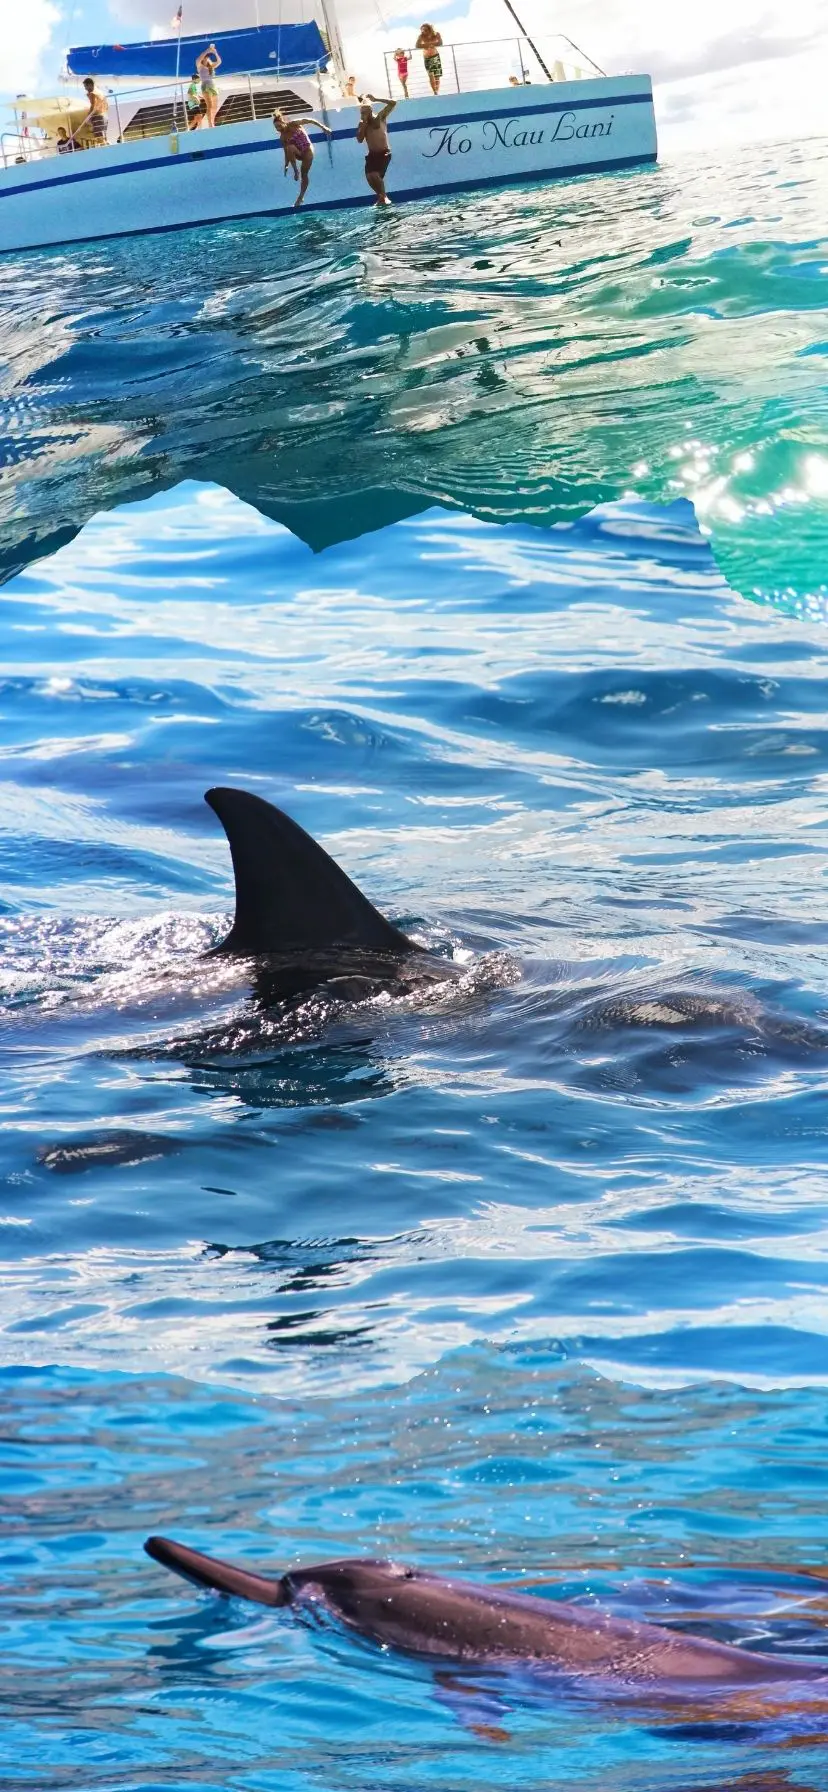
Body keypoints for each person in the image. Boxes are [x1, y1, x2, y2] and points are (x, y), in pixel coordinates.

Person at [273, 109, 333, 209]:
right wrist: (286, 165)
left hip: (308, 150)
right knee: (290, 147)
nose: (278, 129)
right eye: (276, 128)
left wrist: (323, 127)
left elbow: (309, 120)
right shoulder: (283, 137)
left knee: (304, 174)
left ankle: (300, 197)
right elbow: (286, 153)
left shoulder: (293, 124)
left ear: (284, 122)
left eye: (279, 126)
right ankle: (296, 171)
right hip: (298, 153)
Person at [356, 95, 395, 207]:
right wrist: (363, 126)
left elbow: (393, 103)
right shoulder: (362, 124)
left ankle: (384, 196)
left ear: (370, 111)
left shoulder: (379, 117)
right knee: (369, 176)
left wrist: (377, 99)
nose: (362, 115)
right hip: (372, 155)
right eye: (361, 113)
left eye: (364, 113)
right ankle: (380, 196)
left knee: (375, 175)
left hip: (384, 152)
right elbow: (359, 139)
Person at [77, 77, 108, 146]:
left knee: (99, 137)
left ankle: (104, 151)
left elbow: (93, 105)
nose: (85, 88)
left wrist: (88, 116)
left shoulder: (93, 93)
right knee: (103, 136)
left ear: (90, 85)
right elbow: (106, 105)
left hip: (98, 117)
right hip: (104, 116)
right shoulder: (100, 92)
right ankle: (106, 147)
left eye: (86, 86)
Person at [196, 43, 222, 128]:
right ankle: (210, 124)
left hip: (213, 86)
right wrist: (207, 50)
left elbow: (219, 61)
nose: (207, 57)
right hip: (205, 86)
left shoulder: (211, 66)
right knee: (210, 106)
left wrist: (215, 52)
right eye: (206, 57)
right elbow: (198, 59)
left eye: (208, 57)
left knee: (215, 106)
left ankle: (212, 122)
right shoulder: (199, 66)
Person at [415, 24, 442, 95]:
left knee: (437, 75)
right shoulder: (421, 36)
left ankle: (437, 91)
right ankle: (435, 91)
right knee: (430, 75)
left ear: (429, 29)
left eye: (425, 30)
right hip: (427, 58)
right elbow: (417, 45)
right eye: (422, 30)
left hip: (435, 56)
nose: (423, 31)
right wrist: (429, 45)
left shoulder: (436, 34)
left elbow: (440, 43)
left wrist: (429, 44)